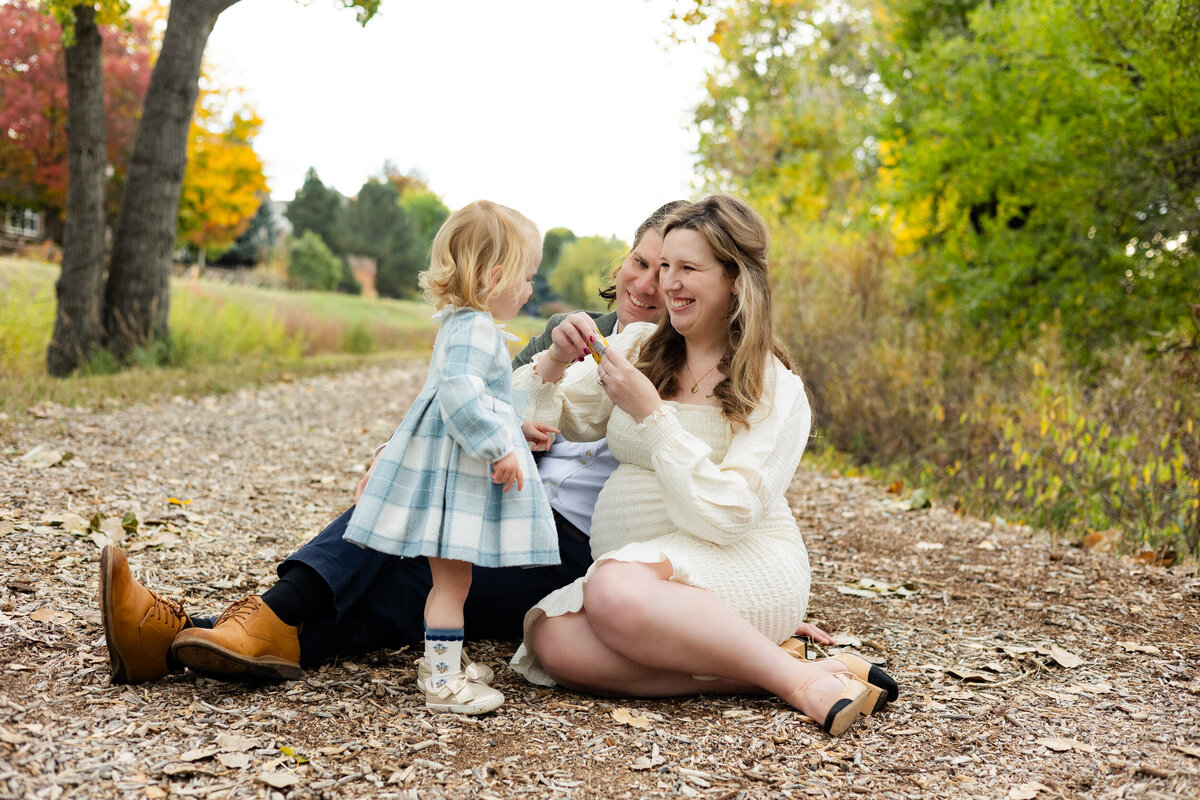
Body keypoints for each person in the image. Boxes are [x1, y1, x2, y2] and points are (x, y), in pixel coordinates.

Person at [99, 201, 732, 686]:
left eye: (675, 270)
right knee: (398, 512)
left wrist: (741, 609)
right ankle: (231, 632)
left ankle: (198, 633)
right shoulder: (569, 333)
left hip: (567, 546)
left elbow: (733, 494)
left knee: (406, 582)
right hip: (496, 490)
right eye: (643, 262)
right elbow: (462, 399)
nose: (651, 283)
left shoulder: (701, 363)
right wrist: (392, 454)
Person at [506, 195, 895, 736]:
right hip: (642, 580)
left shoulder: (773, 384)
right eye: (665, 266)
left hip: (737, 562)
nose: (668, 283)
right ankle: (770, 668)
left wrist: (651, 415)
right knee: (551, 639)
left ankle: (803, 686)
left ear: (736, 279)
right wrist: (553, 356)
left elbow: (730, 515)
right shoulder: (642, 344)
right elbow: (563, 418)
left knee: (612, 591)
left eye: (689, 268)